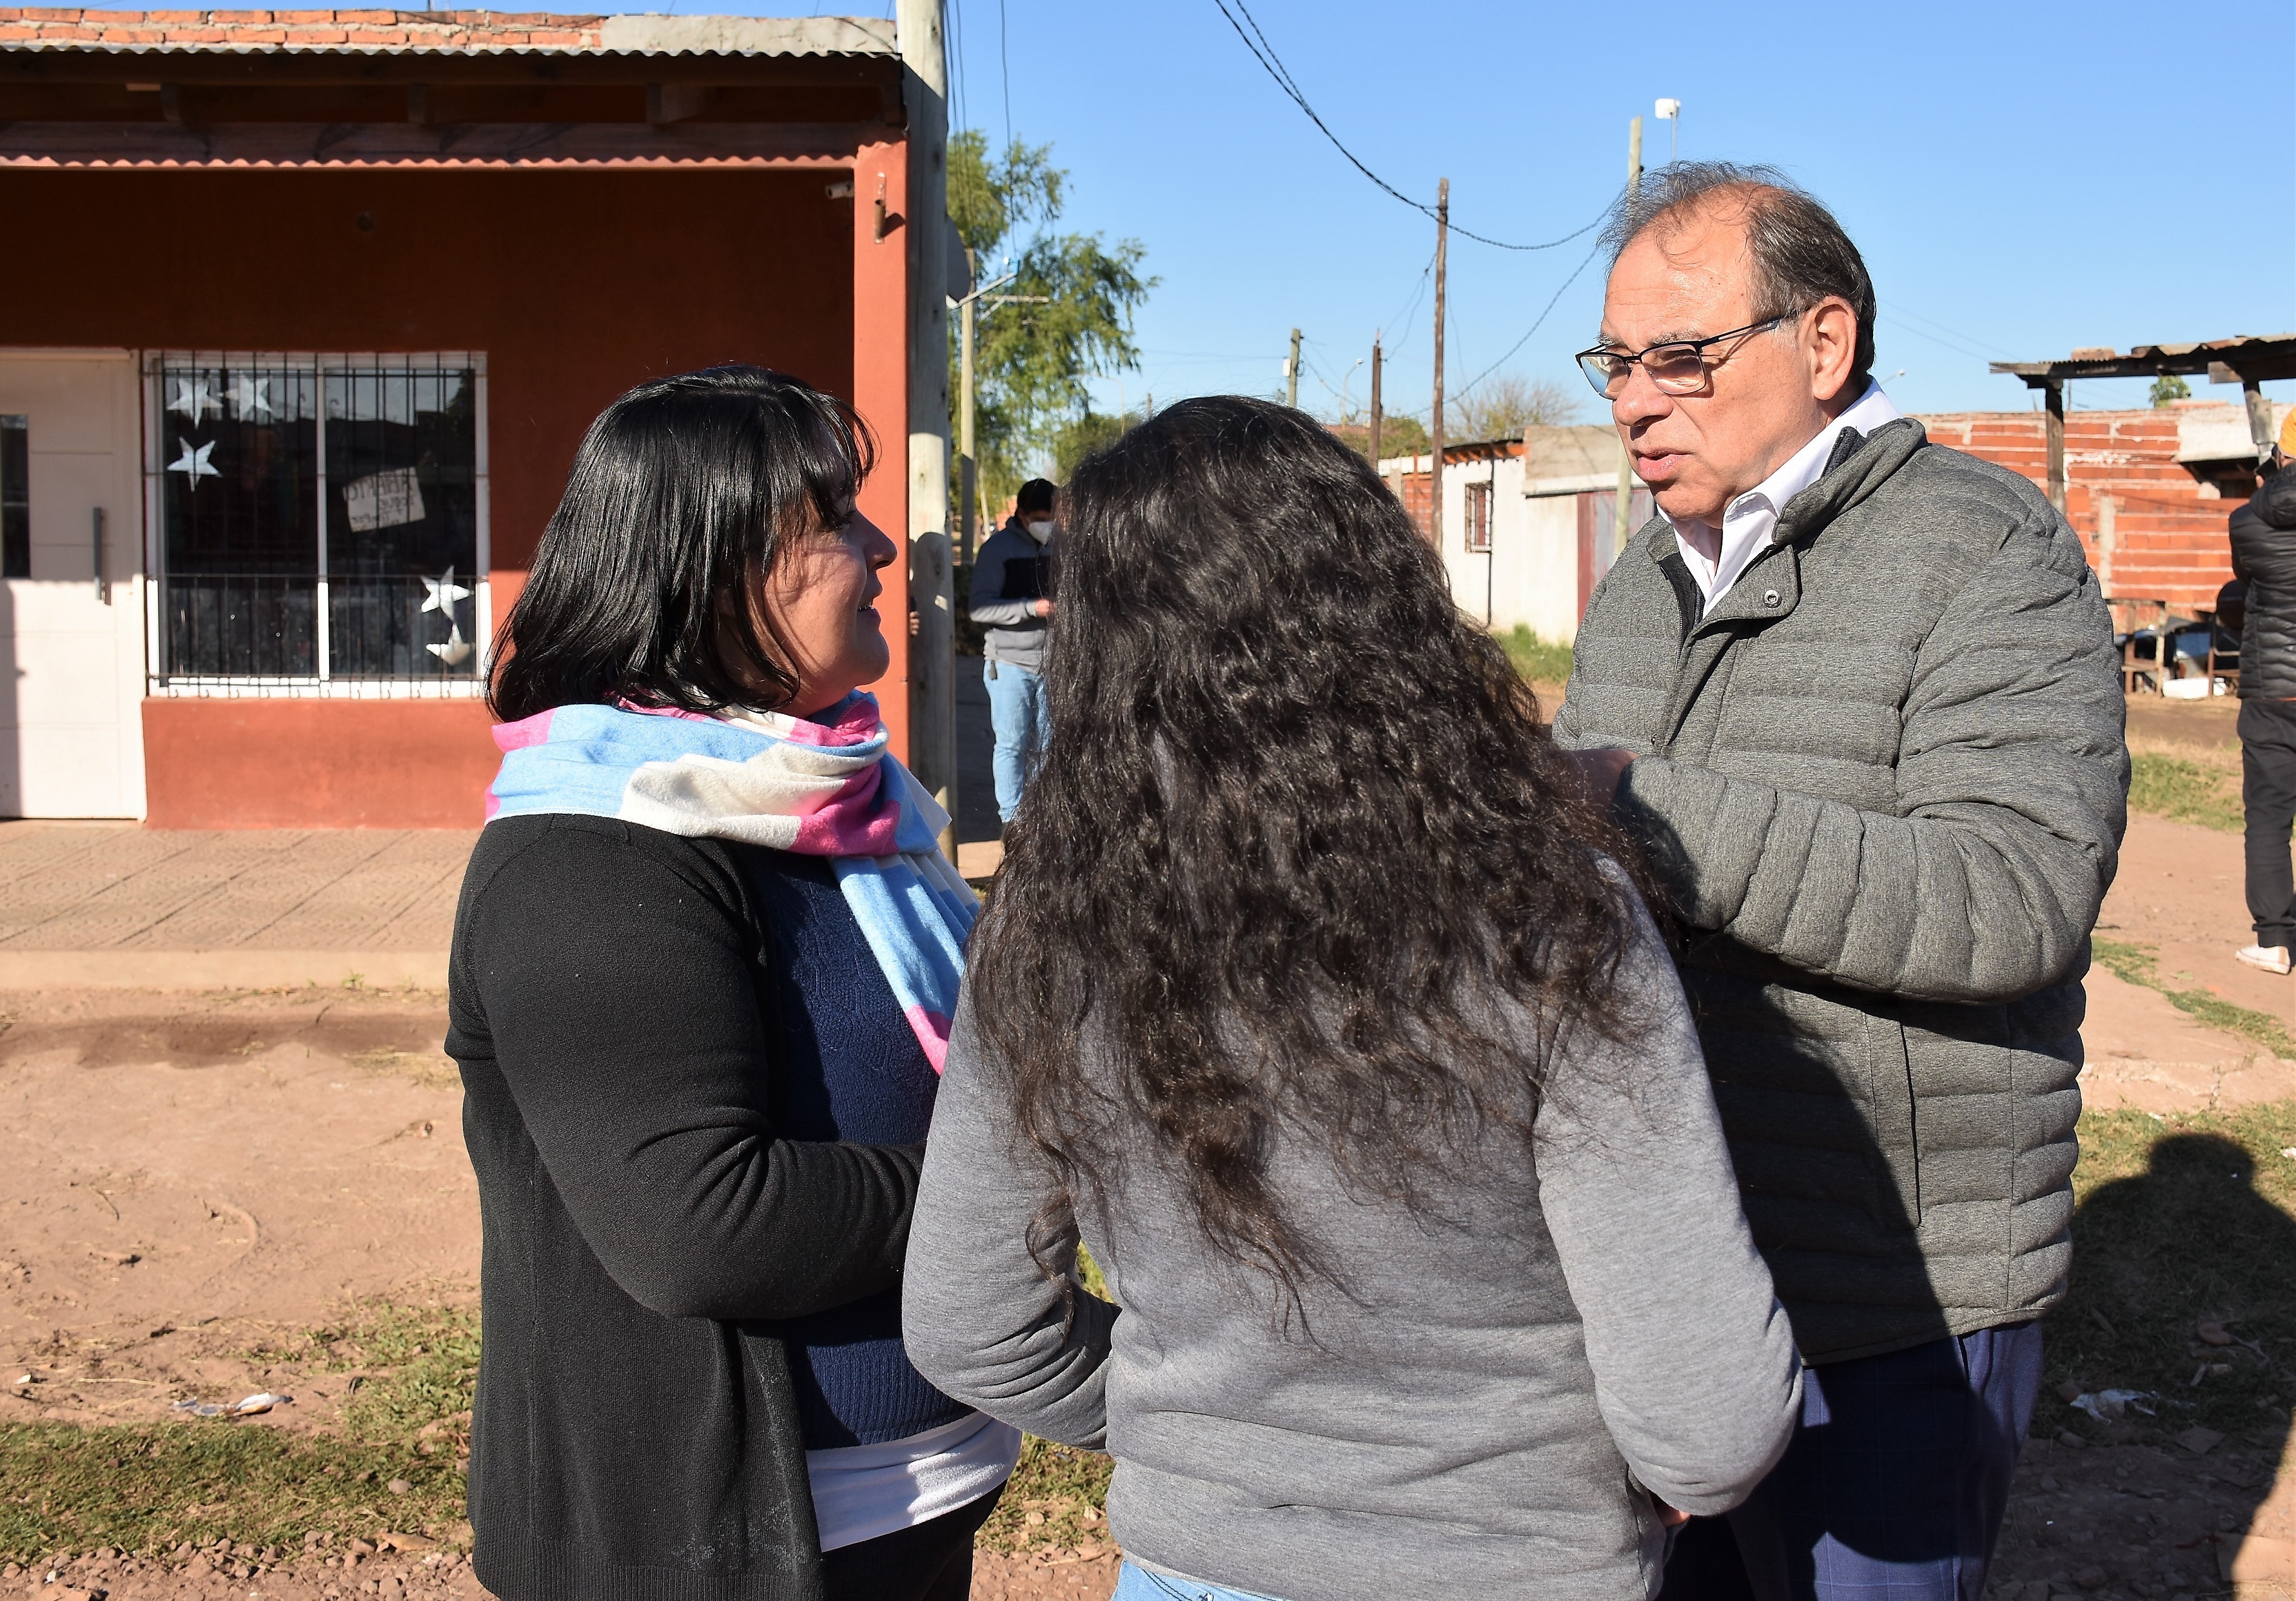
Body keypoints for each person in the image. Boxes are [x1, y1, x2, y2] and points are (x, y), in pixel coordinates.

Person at [902, 396, 1804, 1601]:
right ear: (1388, 603)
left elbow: (971, 1326)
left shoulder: (1049, 925)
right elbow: (1709, 1424)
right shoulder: (1554, 918)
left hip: (1192, 1569)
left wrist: (1212, 1439)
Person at [1552, 163, 2128, 1601]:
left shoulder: (1983, 550)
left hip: (1887, 1298)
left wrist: (1640, 811)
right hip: (1667, 1281)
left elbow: (2012, 896)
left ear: (1823, 343)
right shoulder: (1643, 581)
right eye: (1615, 363)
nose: (1633, 404)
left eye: (1680, 358)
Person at [448, 366, 1016, 1601]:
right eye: (833, 520)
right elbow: (702, 1226)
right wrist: (1019, 1186)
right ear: (712, 573)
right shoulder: (588, 855)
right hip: (718, 1548)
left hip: (918, 1499)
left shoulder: (854, 804)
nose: (880, 547)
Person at [2229, 420, 2296, 974]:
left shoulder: (2246, 520)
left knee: (2269, 816)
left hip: (2272, 691)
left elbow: (2242, 586)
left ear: (2279, 455)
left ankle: (2274, 941)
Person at [967, 477, 1057, 828]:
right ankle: (1014, 822)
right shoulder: (997, 550)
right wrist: (1031, 608)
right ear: (1022, 514)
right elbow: (979, 609)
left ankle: (1043, 819)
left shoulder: (1063, 548)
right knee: (1012, 745)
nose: (1047, 525)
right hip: (1009, 664)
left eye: (1052, 517)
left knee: (1049, 746)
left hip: (1054, 663)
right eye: (1040, 518)